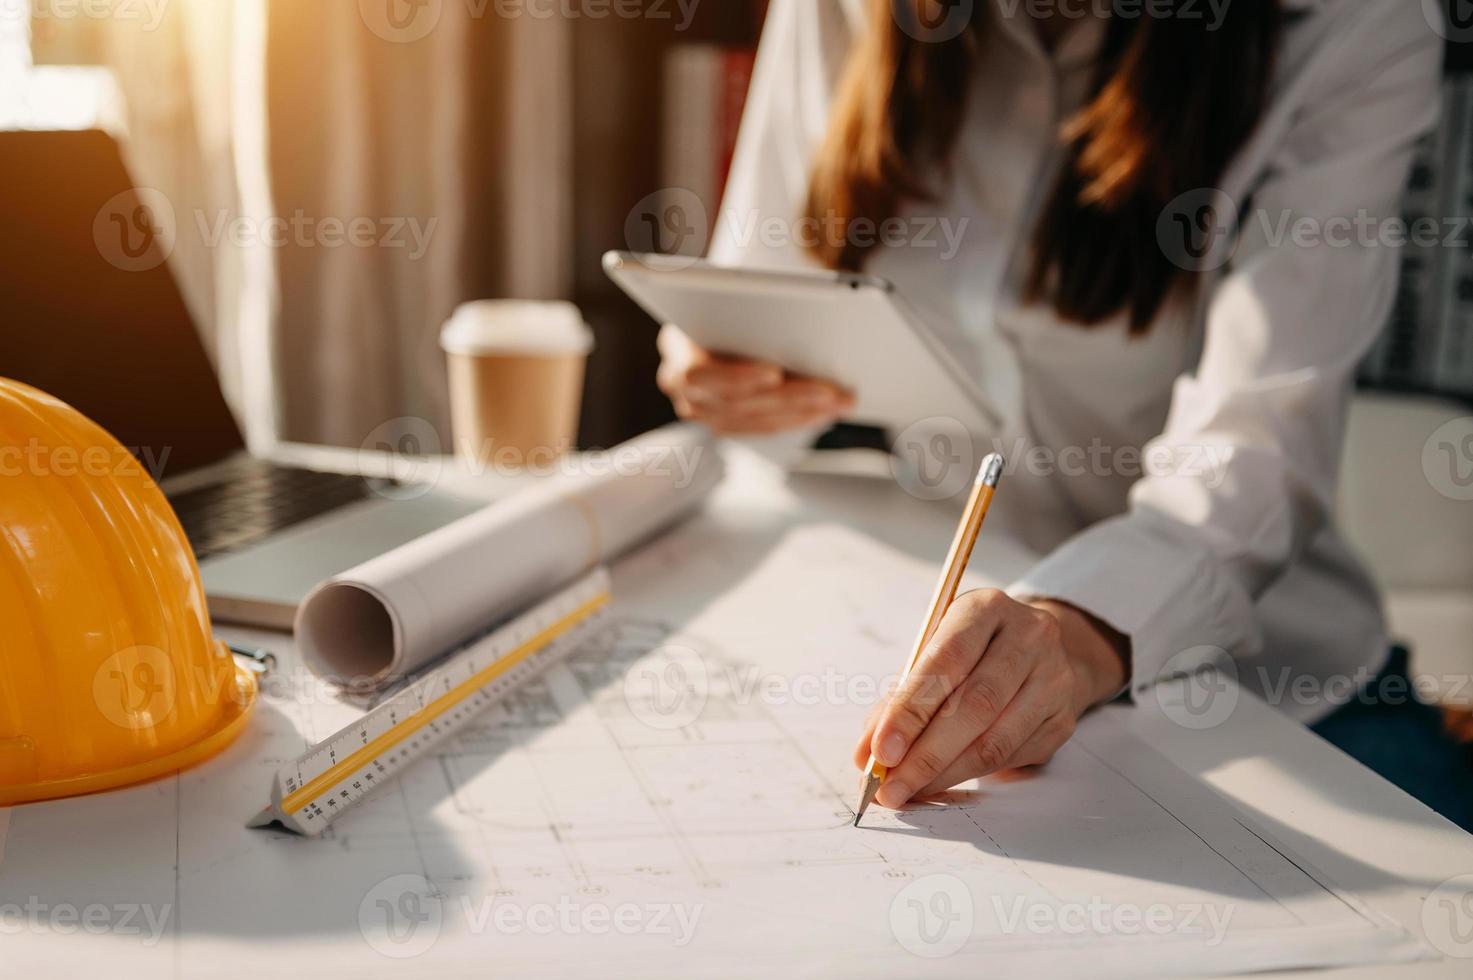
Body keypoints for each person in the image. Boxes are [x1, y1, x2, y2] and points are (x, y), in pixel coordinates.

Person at [656, 0, 1473, 829]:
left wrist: (1076, 633)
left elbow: (1254, 454)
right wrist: (726, 373)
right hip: (933, 649)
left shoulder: (1349, 23)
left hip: (1277, 695)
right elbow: (768, 307)